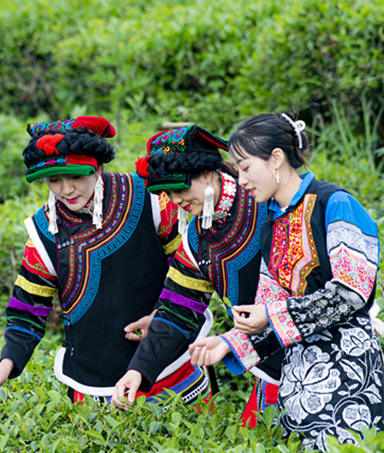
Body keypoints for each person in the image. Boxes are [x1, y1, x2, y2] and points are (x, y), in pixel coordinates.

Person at [190, 112, 384, 451]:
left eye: (245, 168)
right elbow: (271, 310)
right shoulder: (271, 224)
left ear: (276, 159)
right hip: (295, 382)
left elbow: (350, 293)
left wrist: (271, 314)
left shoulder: (335, 204)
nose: (241, 180)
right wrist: (228, 342)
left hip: (350, 376)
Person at [0, 116, 209, 405]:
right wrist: (5, 364)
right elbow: (28, 307)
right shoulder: (43, 231)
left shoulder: (149, 198)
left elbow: (191, 272)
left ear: (97, 168)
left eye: (76, 176)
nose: (66, 190)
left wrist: (162, 318)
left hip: (173, 363)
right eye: (54, 180)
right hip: (92, 381)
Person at [112, 125, 283, 423]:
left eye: (180, 189)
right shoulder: (196, 237)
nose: (175, 200)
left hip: (315, 348)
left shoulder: (265, 205)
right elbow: (178, 309)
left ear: (206, 174)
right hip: (269, 364)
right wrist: (138, 370)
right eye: (168, 193)